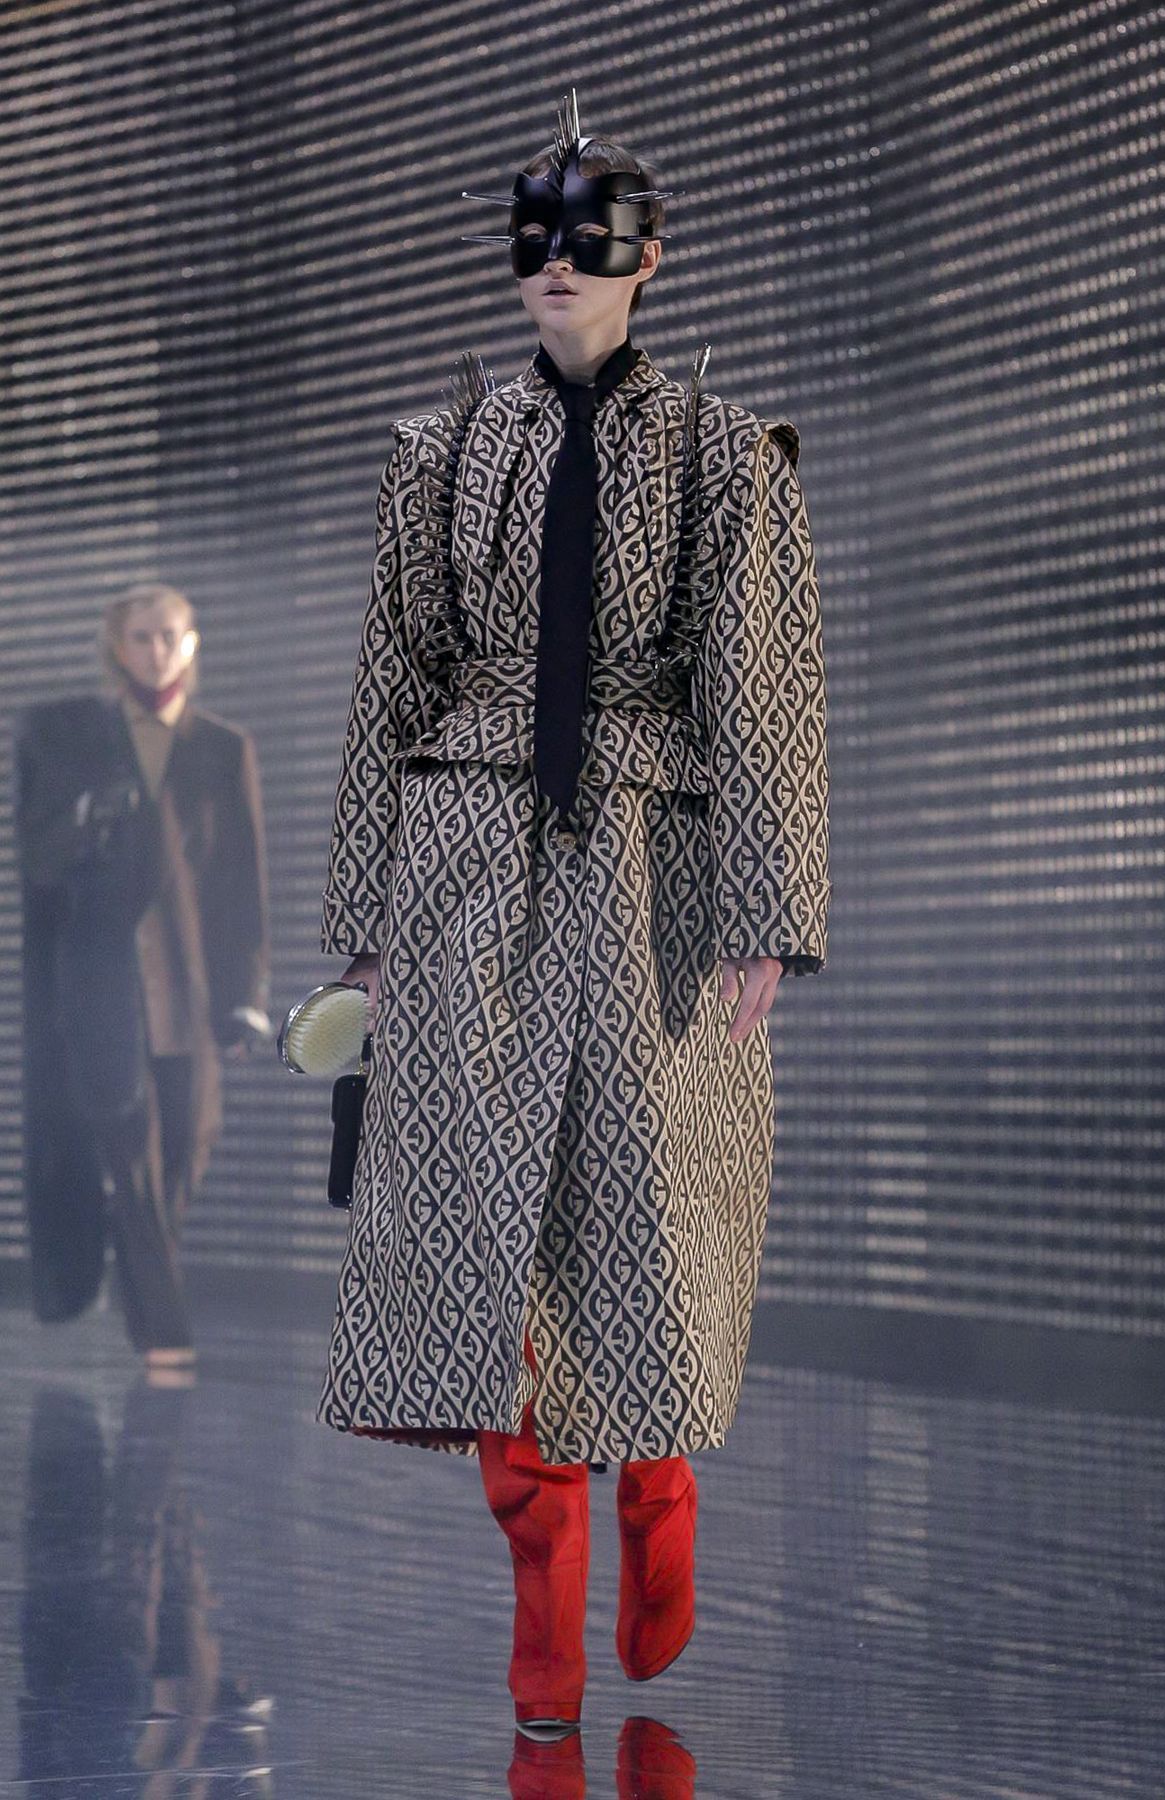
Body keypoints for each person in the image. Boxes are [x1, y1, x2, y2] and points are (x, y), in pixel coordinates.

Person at [317, 92, 829, 1739]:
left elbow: (759, 684)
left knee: (646, 1206)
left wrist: (766, 905)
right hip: (467, 851)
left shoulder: (725, 456)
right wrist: (367, 912)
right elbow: (392, 677)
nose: (555, 266)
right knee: (485, 1221)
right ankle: (540, 1582)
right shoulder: (436, 454)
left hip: (649, 858)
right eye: (533, 238)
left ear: (648, 262)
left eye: (589, 241)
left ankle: (657, 1484)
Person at [15, 584, 270, 1370]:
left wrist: (247, 999)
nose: (157, 651)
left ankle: (136, 1265)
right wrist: (87, 817)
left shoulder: (223, 748)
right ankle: (166, 1342)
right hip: (102, 983)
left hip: (189, 992)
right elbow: (35, 862)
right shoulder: (73, 740)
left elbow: (243, 885)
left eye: (170, 636)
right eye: (141, 637)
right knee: (131, 1153)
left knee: (186, 1150)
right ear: (116, 647)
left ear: (191, 645)